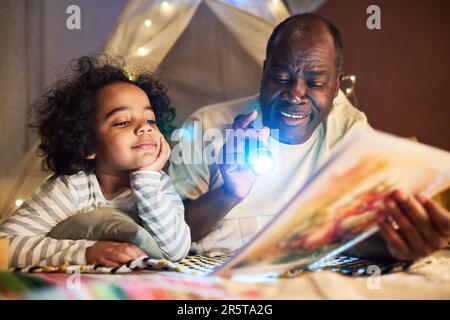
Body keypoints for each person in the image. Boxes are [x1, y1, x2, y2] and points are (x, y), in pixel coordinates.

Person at [169, 13, 450, 261]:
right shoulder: (207, 126)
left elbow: (355, 237)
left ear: (337, 86)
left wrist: (403, 246)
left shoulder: (348, 132)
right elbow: (170, 234)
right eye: (280, 78)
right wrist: (229, 194)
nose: (295, 94)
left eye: (315, 83)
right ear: (264, 71)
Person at [0, 56, 191, 268]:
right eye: (123, 122)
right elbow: (4, 245)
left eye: (150, 120)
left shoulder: (158, 184)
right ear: (87, 144)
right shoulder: (73, 188)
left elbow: (175, 252)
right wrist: (85, 252)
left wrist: (146, 180)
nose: (144, 128)